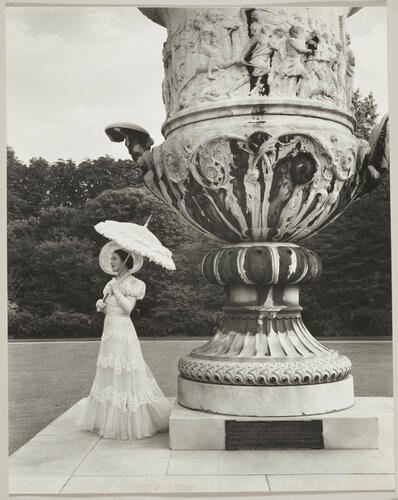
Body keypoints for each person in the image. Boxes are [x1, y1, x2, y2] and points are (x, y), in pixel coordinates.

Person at [77, 240, 173, 439]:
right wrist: (101, 305)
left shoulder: (135, 284)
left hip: (123, 331)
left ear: (124, 261)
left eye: (114, 258)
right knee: (109, 370)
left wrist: (117, 289)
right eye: (111, 258)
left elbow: (128, 309)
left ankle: (128, 419)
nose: (111, 262)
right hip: (109, 330)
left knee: (125, 369)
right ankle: (107, 418)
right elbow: (110, 307)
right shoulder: (111, 282)